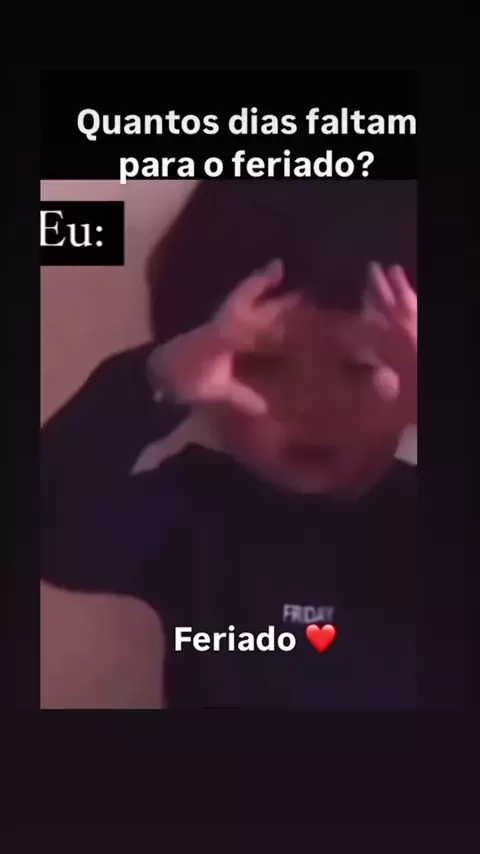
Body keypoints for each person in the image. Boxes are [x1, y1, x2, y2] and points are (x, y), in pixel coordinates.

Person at [41, 179, 417, 709]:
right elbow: (52, 535)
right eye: (262, 363)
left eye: (359, 368)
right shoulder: (192, 513)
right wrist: (153, 382)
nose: (310, 407)